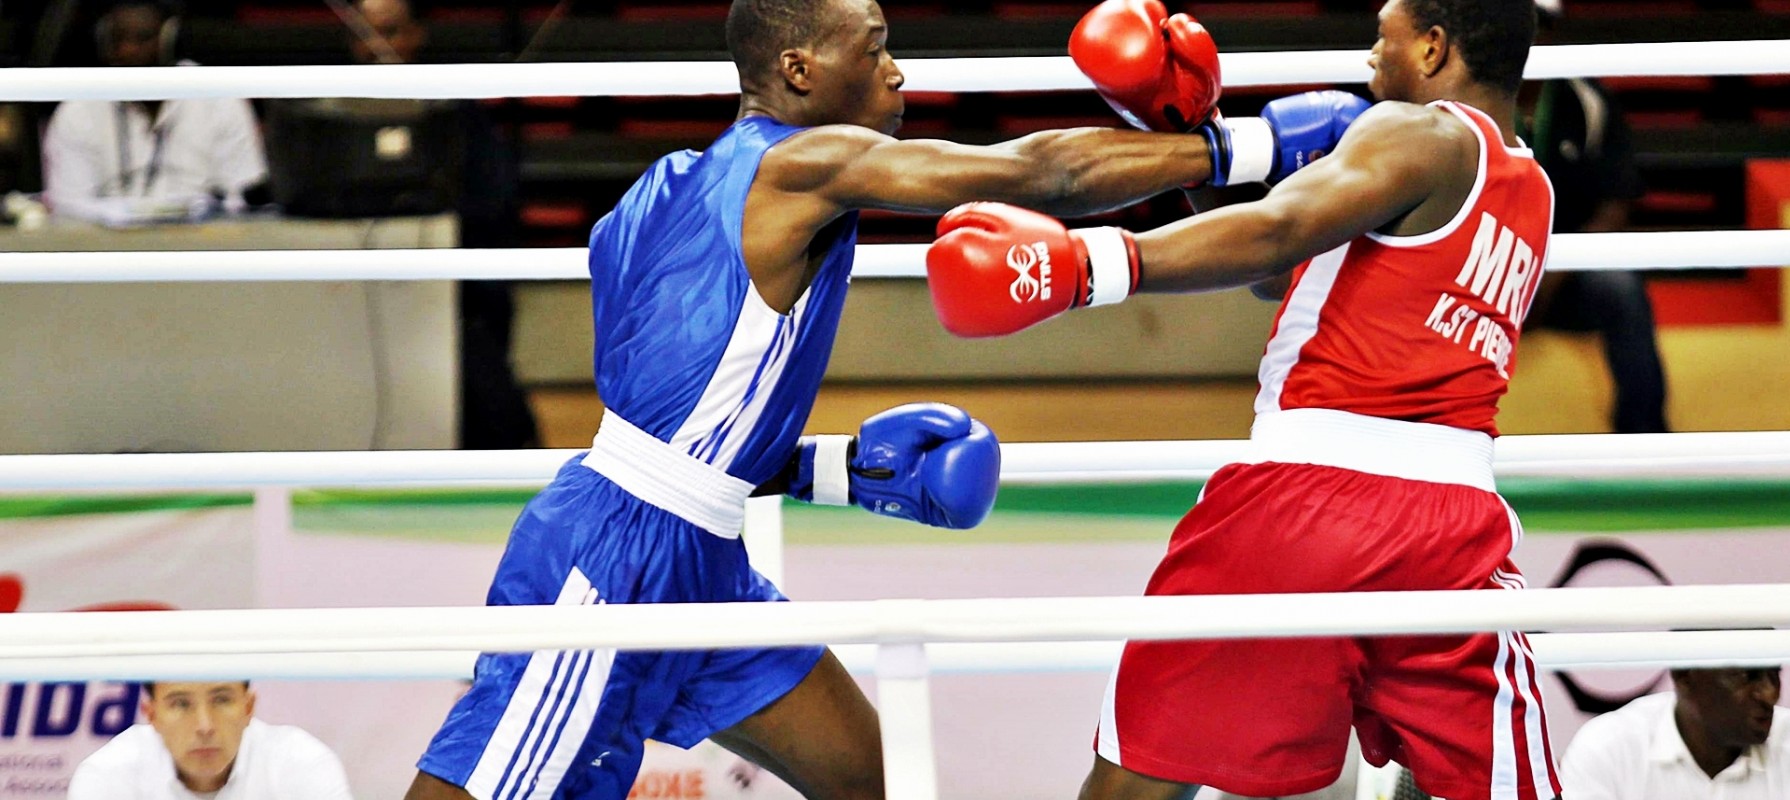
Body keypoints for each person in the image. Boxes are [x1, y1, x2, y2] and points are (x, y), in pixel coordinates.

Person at [400, 0, 1368, 796]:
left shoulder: (655, 193)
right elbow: (1040, 173)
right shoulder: (802, 162)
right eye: (874, 49)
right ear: (799, 71)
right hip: (616, 559)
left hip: (705, 552)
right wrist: (1251, 146)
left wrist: (831, 469)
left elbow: (674, 421)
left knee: (876, 778)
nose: (897, 71)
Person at [925, 0, 1561, 797]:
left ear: (1434, 48)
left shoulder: (1415, 133)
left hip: (1305, 505)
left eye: (1384, 35)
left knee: (1140, 785)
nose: (1370, 56)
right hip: (1456, 534)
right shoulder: (1529, 187)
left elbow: (1276, 229)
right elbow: (1280, 267)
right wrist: (1192, 130)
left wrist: (1087, 266)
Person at [343, 0, 539, 450]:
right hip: (348, 285)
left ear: (417, 34)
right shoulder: (324, 108)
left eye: (389, 32)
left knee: (485, 391)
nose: (376, 47)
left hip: (455, 286)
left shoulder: (454, 108)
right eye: (364, 34)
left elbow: (494, 200)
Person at [1520, 0, 1670, 433]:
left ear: (1553, 33)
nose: (1530, 36)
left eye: (1540, 25)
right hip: (1479, 270)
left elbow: (1615, 202)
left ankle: (1644, 438)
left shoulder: (1587, 101)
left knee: (1619, 288)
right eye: (1520, 22)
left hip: (1564, 278)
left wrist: (1553, 273)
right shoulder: (1467, 97)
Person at [41, 0, 267, 227]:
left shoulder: (218, 97)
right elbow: (68, 205)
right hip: (107, 241)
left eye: (143, 38)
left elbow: (245, 194)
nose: (127, 50)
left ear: (170, 40)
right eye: (117, 39)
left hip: (203, 239)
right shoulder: (79, 108)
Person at [1559, 667, 1790, 799]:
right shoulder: (1609, 748)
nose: (1770, 695)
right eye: (1746, 676)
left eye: (1774, 675)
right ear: (1684, 677)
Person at [68, 681, 354, 799]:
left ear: (248, 707)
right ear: (151, 715)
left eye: (222, 700)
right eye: (181, 704)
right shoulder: (109, 775)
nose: (204, 726)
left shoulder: (302, 764)